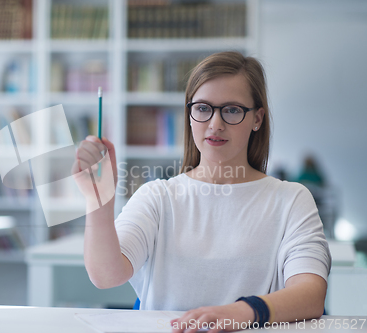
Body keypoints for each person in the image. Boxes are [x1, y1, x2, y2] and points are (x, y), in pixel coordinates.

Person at [71, 51, 331, 333]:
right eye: (203, 108)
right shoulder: (158, 197)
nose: (215, 124)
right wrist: (98, 201)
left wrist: (240, 312)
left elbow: (311, 294)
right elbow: (106, 275)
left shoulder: (291, 199)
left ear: (257, 118)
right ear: (190, 114)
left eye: (232, 110)